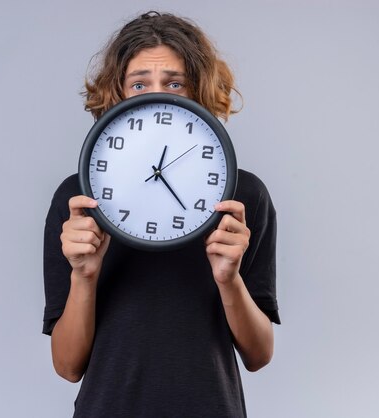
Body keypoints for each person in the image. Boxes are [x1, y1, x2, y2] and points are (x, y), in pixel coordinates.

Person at [43, 11, 280, 417]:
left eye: (174, 82)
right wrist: (84, 275)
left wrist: (229, 279)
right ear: (116, 95)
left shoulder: (243, 197)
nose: (156, 95)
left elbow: (258, 355)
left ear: (198, 93)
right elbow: (67, 367)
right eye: (139, 84)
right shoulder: (78, 199)